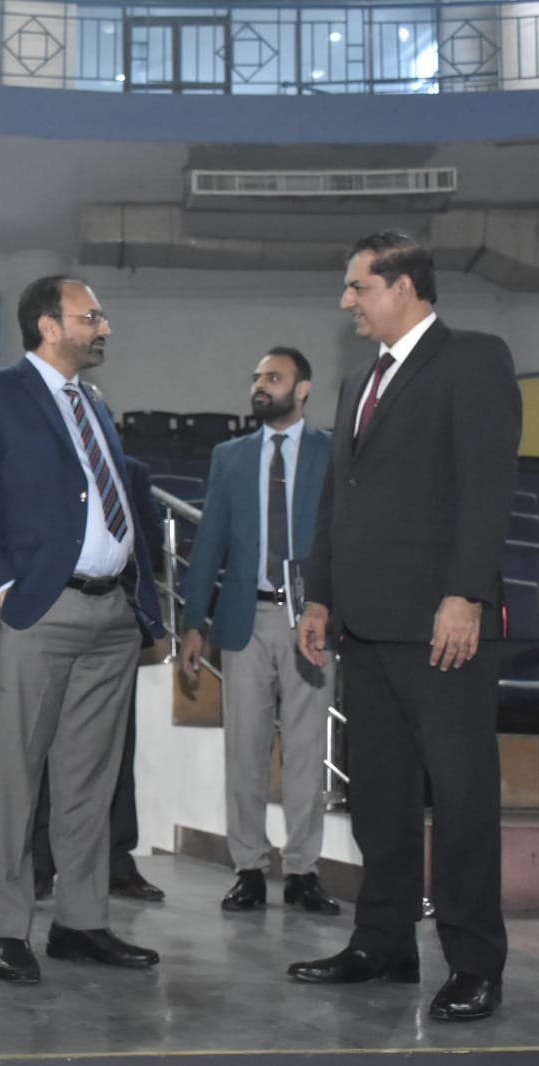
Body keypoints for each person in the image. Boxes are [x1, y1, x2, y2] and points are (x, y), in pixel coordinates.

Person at [289, 232, 520, 1022]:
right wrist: (320, 597)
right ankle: (382, 942)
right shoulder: (357, 383)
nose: (347, 301)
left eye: (358, 287)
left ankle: (474, 962)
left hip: (440, 626)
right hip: (365, 626)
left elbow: (487, 490)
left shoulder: (475, 359)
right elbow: (336, 504)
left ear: (405, 287)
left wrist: (464, 595)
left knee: (459, 801)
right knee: (381, 800)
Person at [0, 275, 165, 985]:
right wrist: (3, 589)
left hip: (110, 615)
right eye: (90, 316)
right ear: (48, 325)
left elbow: (119, 501)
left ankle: (81, 921)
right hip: (39, 609)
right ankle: (9, 928)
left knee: (90, 780)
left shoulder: (94, 404)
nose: (103, 327)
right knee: (17, 775)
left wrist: (142, 605)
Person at [178, 347, 339, 916]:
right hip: (245, 620)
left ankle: (302, 870)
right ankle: (247, 866)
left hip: (310, 621)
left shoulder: (332, 451)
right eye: (255, 378)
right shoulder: (231, 456)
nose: (260, 386)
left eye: (273, 377)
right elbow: (210, 545)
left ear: (303, 389)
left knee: (304, 754)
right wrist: (193, 624)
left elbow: (343, 539)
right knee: (243, 752)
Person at [34, 454, 165, 904]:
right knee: (42, 743)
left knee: (113, 749)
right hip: (46, 615)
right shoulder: (42, 462)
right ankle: (37, 862)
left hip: (114, 616)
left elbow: (151, 547)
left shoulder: (131, 471)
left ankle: (115, 861)